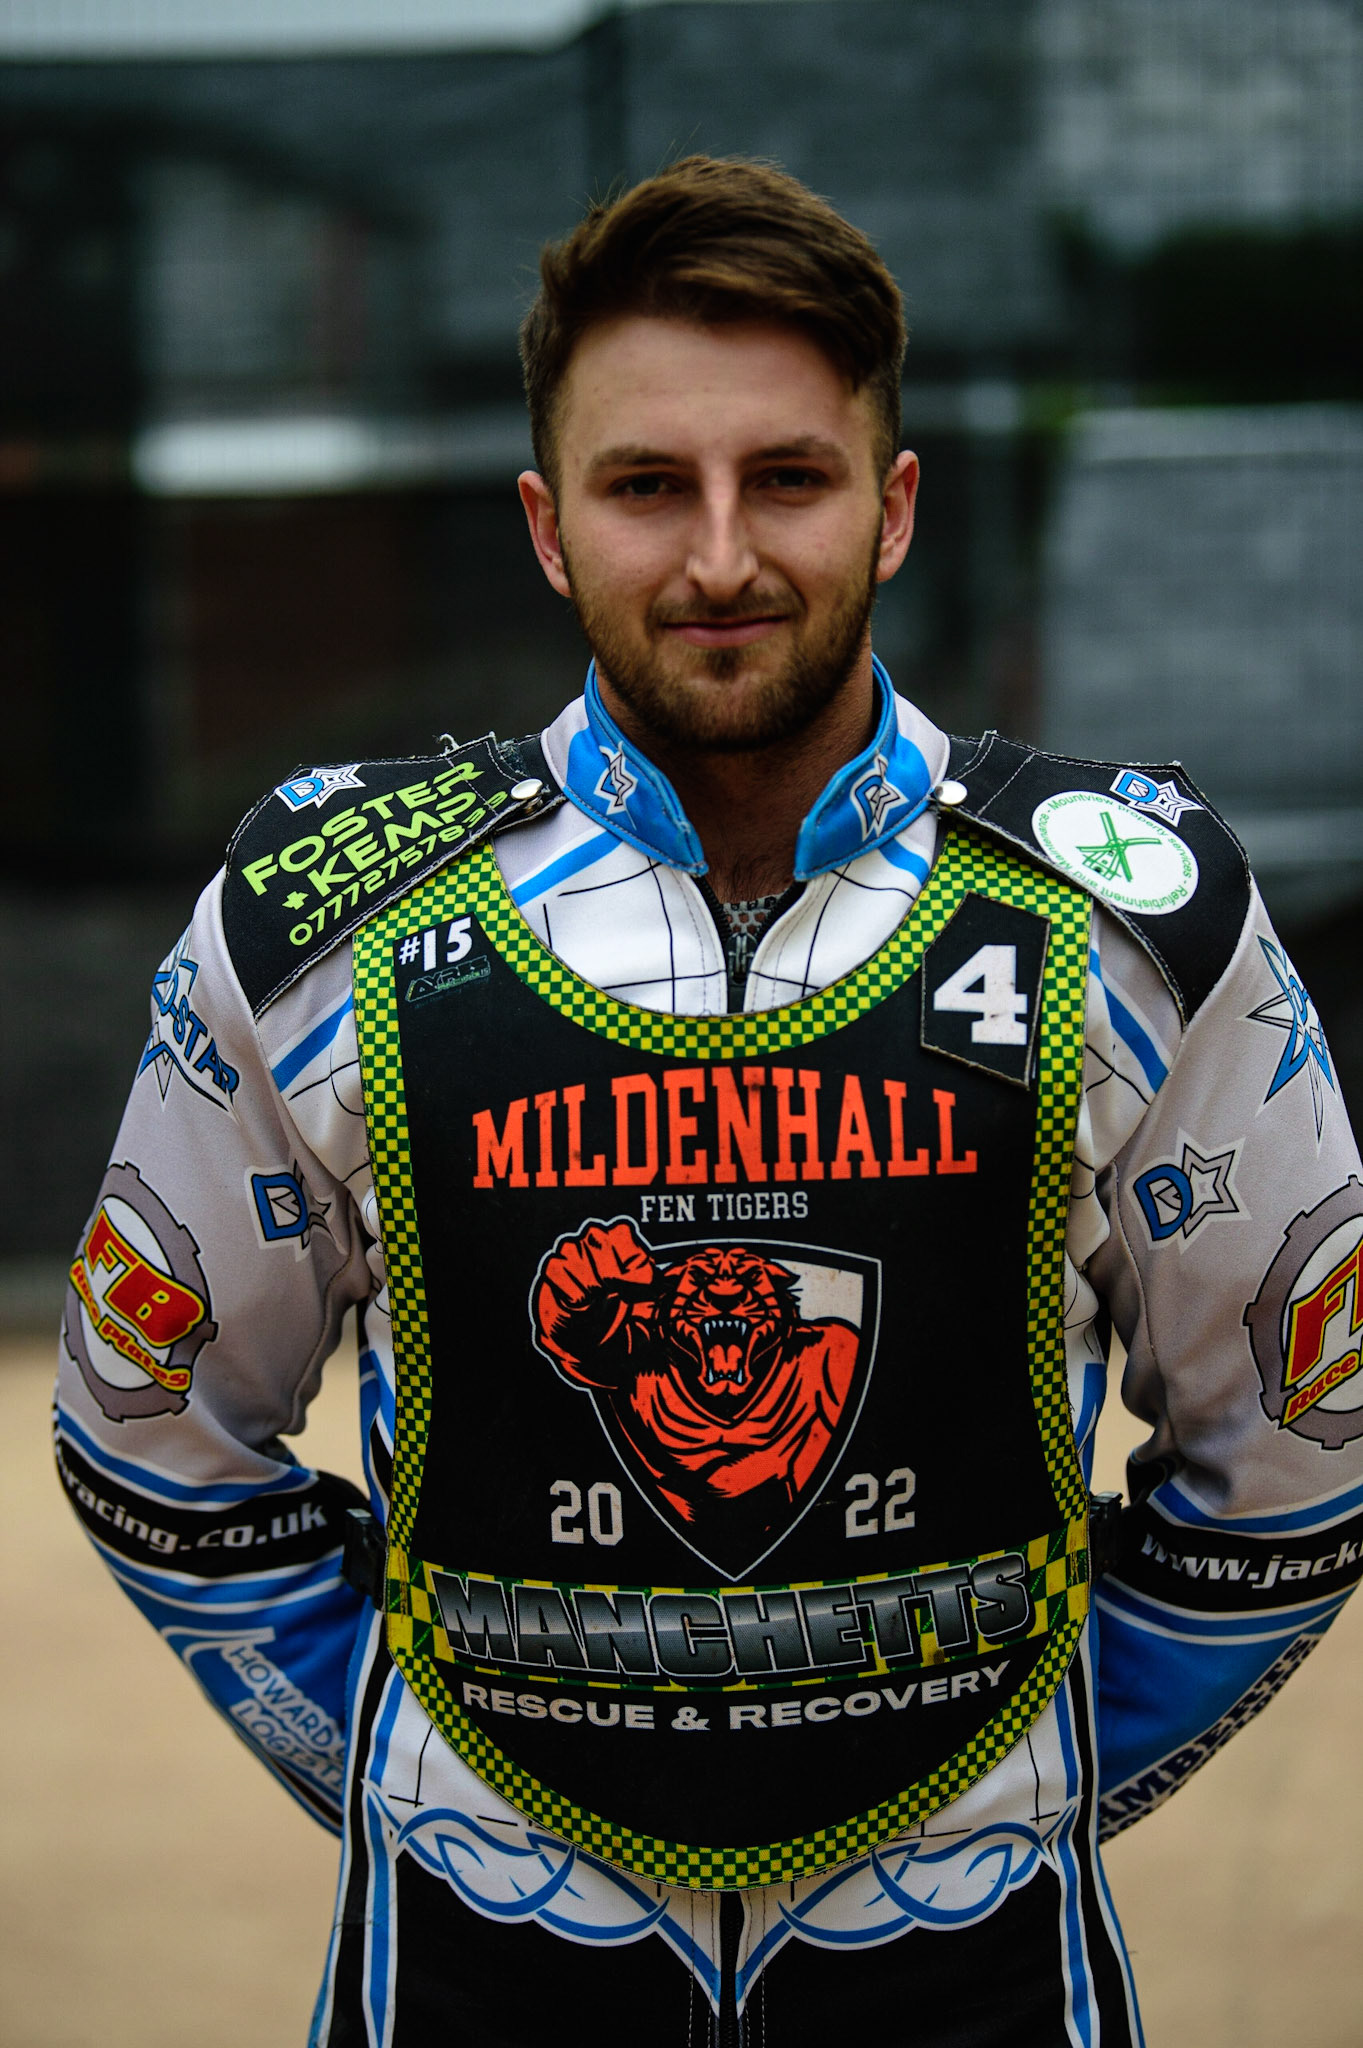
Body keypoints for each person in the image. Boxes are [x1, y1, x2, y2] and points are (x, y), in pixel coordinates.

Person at [57, 156, 1363, 2047]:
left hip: (976, 1956)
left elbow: (1307, 1448)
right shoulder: (320, 917)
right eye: (649, 485)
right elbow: (150, 1440)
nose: (725, 557)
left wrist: (1030, 1774)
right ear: (546, 523)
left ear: (896, 506)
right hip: (476, 1956)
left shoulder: (1132, 920)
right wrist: (419, 1775)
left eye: (793, 478)